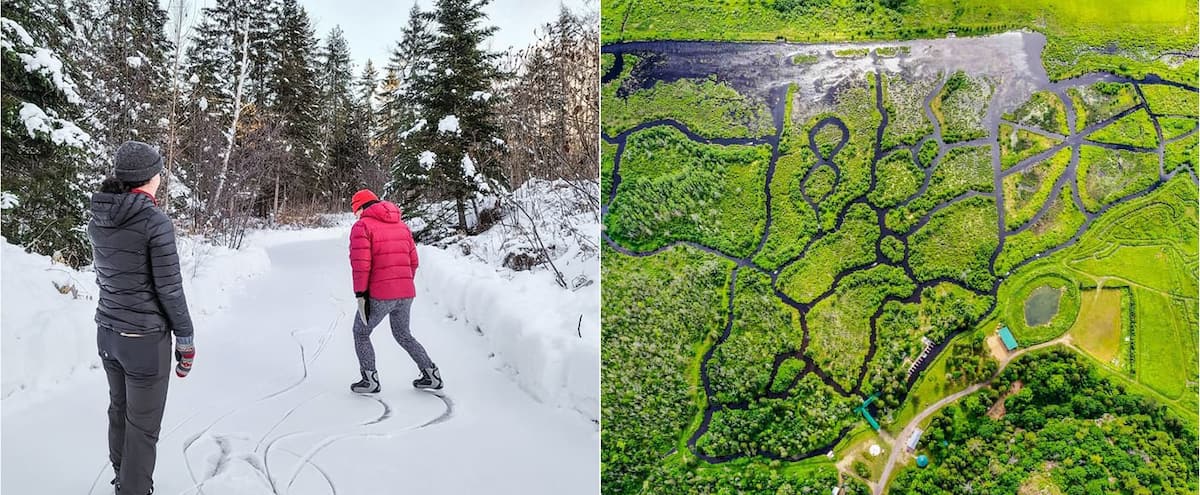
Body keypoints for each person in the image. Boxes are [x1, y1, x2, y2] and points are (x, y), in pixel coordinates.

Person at [88, 141, 195, 495]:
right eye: (158, 171)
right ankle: (133, 489)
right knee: (143, 425)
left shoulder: (100, 217)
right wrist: (186, 339)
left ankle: (123, 476)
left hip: (108, 333)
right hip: (143, 341)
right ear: (150, 178)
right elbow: (170, 290)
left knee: (119, 410)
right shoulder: (154, 222)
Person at [347, 188, 442, 393]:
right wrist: (403, 284)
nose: (356, 215)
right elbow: (413, 261)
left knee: (360, 332)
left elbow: (361, 265)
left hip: (379, 294)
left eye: (355, 210)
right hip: (406, 292)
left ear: (361, 207)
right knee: (403, 334)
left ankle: (369, 379)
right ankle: (431, 373)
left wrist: (361, 294)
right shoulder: (401, 225)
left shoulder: (362, 227)